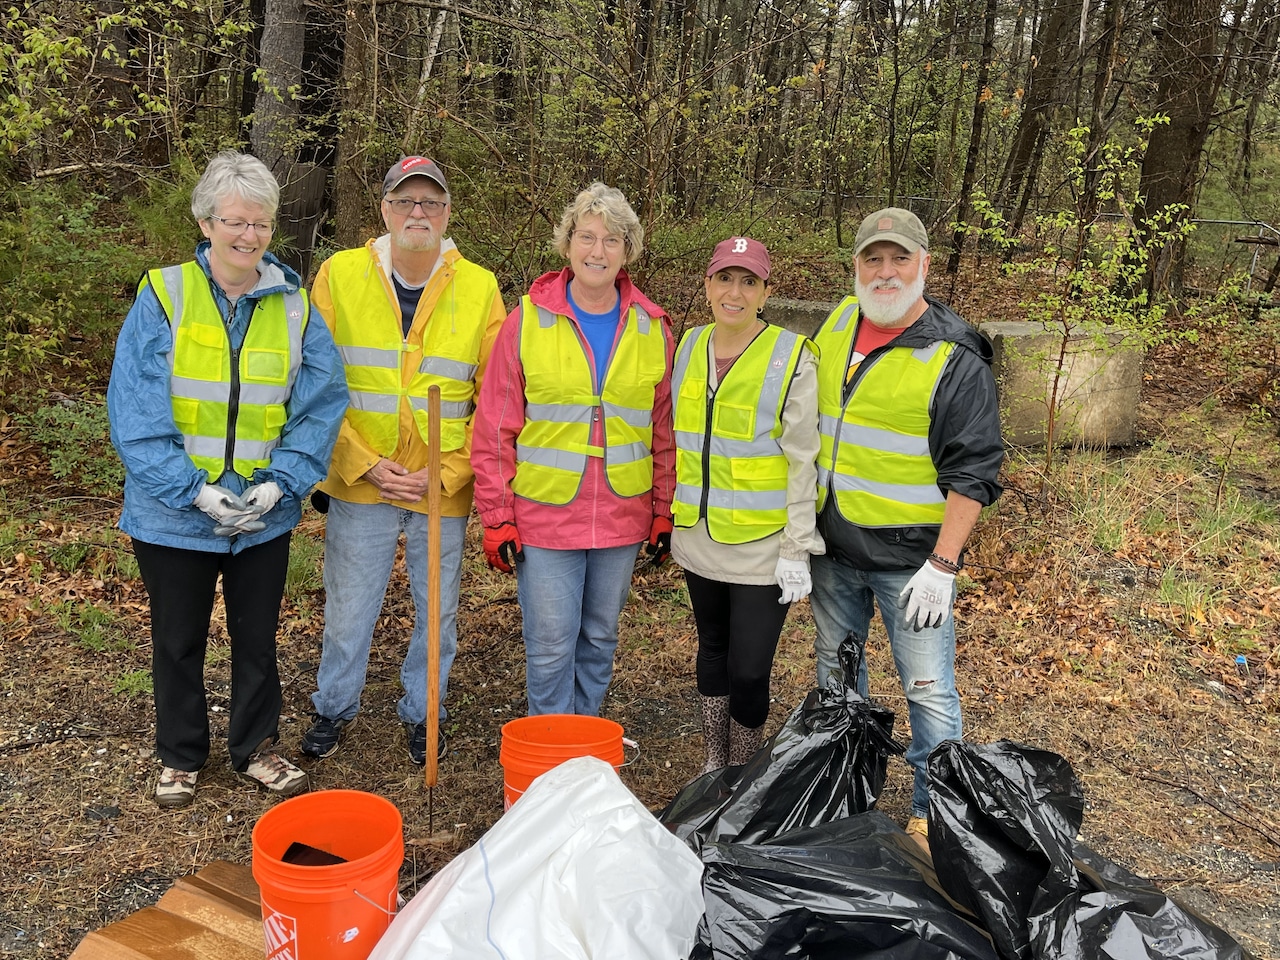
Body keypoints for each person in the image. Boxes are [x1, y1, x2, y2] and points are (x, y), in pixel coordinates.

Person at [107, 150, 347, 809]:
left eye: (261, 223)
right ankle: (180, 755)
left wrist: (284, 481)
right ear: (206, 223)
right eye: (235, 221)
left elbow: (321, 403)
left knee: (257, 638)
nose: (248, 235)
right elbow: (136, 409)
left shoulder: (295, 306)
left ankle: (256, 747)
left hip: (262, 515)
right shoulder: (165, 296)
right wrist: (192, 489)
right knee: (177, 639)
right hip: (172, 513)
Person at [809, 207, 1004, 852]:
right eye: (873, 259)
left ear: (924, 264)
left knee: (929, 692)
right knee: (838, 679)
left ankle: (935, 815)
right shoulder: (841, 322)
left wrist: (943, 566)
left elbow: (974, 471)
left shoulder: (954, 355)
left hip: (911, 565)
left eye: (899, 259)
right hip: (835, 549)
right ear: (856, 266)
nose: (885, 272)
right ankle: (846, 793)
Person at [301, 157, 506, 766]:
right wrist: (361, 461)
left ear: (447, 213)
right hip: (361, 480)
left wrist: (445, 472)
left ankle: (425, 713)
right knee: (348, 609)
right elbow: (315, 383)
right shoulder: (339, 275)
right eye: (406, 201)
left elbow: (496, 399)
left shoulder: (480, 288)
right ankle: (333, 707)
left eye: (431, 202)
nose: (419, 212)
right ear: (385, 209)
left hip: (439, 485)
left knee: (437, 613)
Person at [471, 182, 676, 717]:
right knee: (550, 646)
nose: (597, 251)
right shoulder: (526, 321)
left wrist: (663, 508)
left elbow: (664, 431)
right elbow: (494, 429)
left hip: (622, 515)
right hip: (545, 516)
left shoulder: (653, 327)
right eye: (586, 236)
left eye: (611, 240)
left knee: (600, 638)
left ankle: (585, 740)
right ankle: (550, 748)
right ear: (567, 244)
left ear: (628, 250)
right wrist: (497, 516)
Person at [670, 237, 823, 772]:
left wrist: (797, 546)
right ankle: (716, 765)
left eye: (748, 282)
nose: (734, 293)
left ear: (765, 293)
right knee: (712, 648)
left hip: (764, 547)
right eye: (724, 279)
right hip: (698, 534)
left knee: (751, 667)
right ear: (708, 285)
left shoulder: (792, 356)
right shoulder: (689, 345)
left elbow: (804, 459)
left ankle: (743, 767)